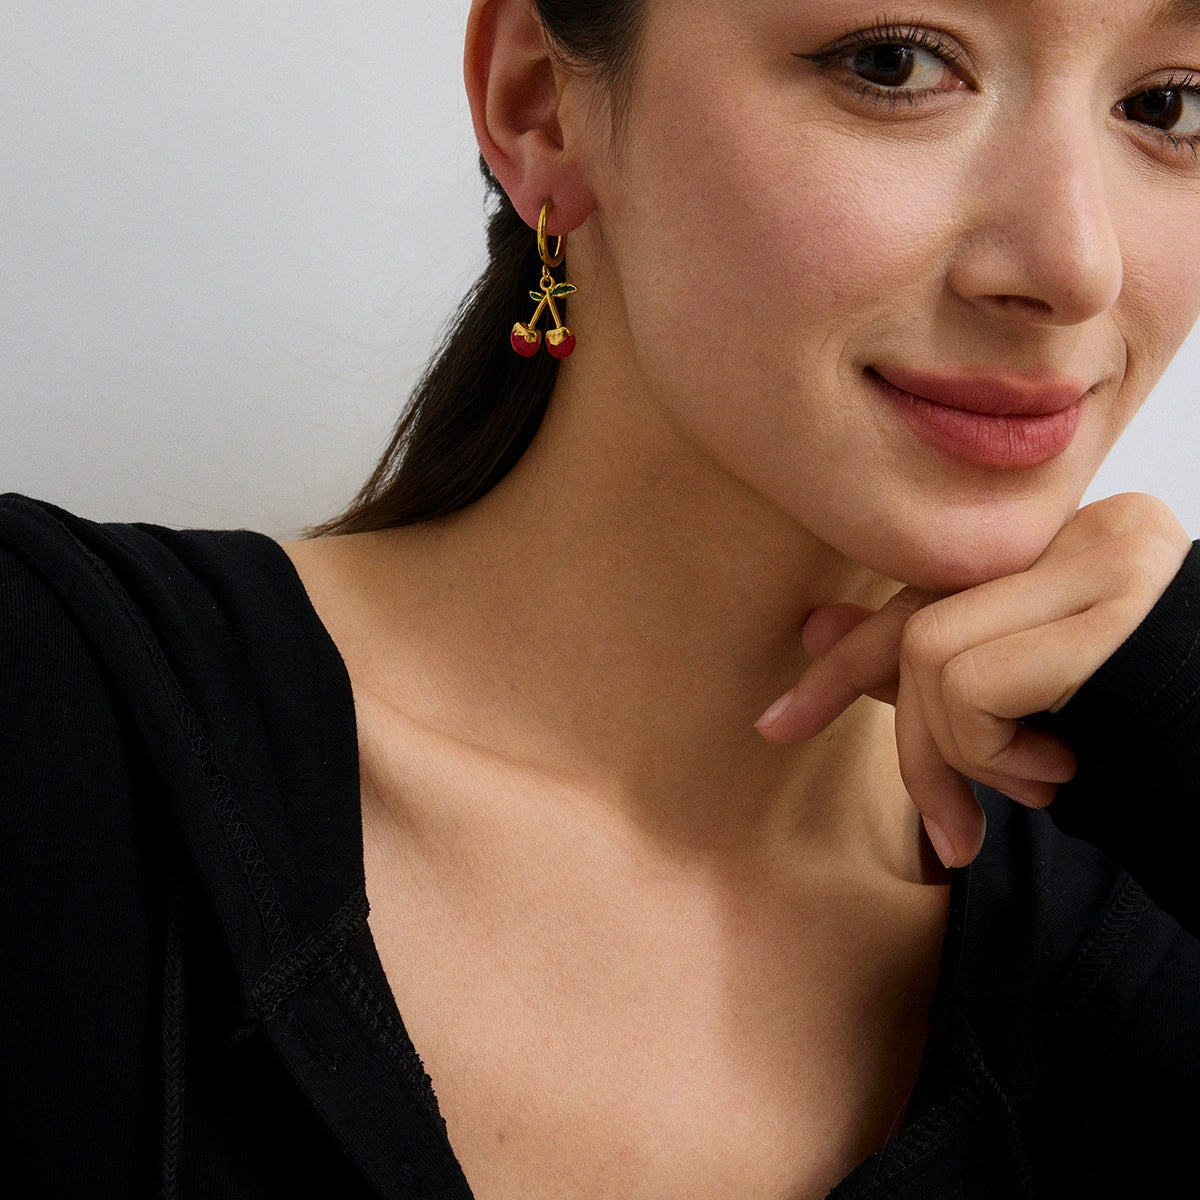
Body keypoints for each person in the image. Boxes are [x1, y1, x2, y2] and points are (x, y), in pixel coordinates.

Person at [3, 0, 1200, 1196]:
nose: (1075, 267)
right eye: (895, 65)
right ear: (539, 104)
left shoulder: (1159, 926)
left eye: (1170, 105)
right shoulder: (52, 722)